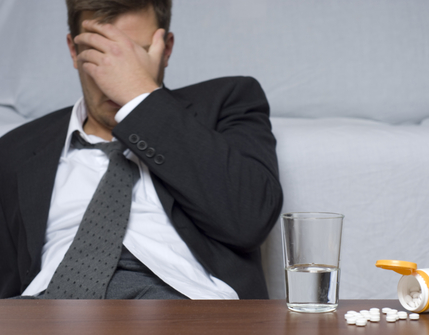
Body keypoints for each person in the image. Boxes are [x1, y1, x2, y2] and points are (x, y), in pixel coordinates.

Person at [0, 0, 282, 299]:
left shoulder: (227, 101)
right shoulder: (15, 149)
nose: (115, 72)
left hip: (186, 312)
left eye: (135, 53)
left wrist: (139, 95)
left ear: (167, 49)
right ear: (74, 51)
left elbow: (249, 220)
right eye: (101, 53)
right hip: (44, 313)